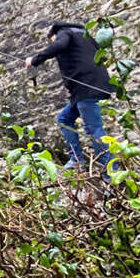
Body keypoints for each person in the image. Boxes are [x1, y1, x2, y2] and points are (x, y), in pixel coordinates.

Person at [25, 21, 115, 172]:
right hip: (89, 88)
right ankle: (77, 160)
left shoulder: (65, 33)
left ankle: (111, 176)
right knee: (64, 119)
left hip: (86, 88)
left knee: (94, 130)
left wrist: (34, 60)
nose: (54, 41)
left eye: (52, 39)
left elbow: (60, 45)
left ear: (53, 35)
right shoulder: (85, 36)